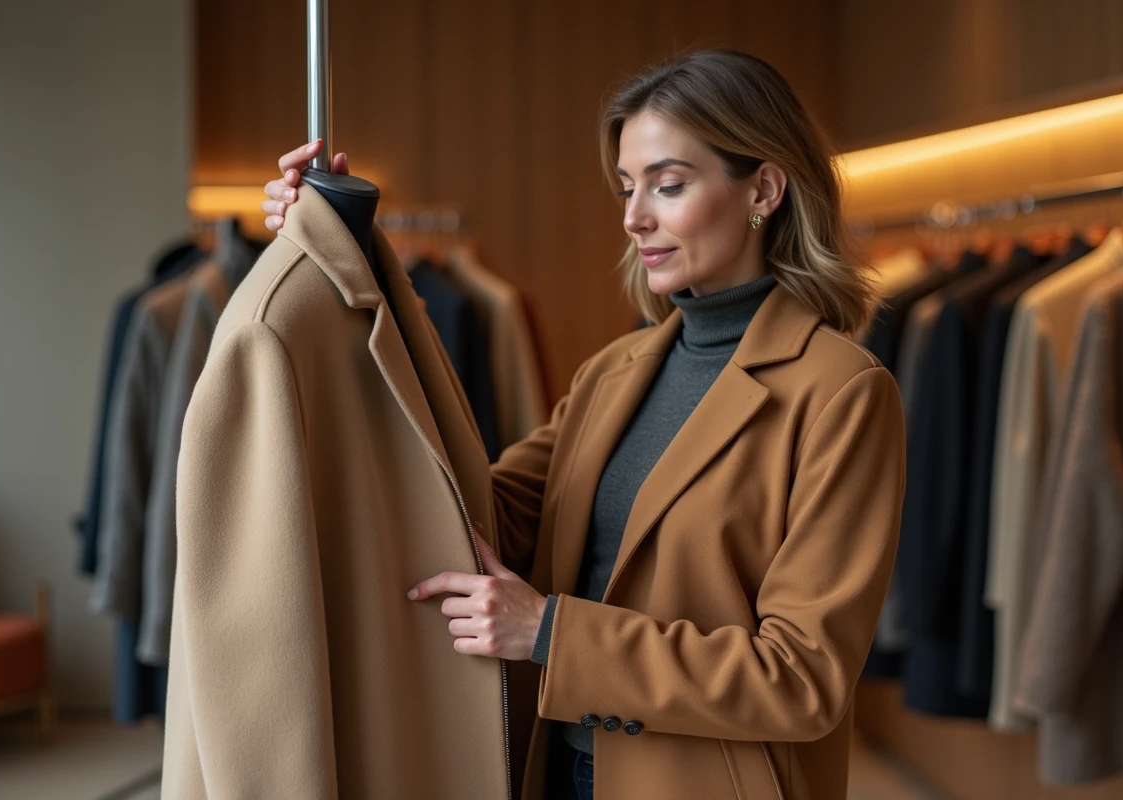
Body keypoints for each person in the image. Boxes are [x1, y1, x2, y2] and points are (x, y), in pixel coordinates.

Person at [264, 48, 905, 800]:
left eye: (668, 185)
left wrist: (549, 634)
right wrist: (350, 257)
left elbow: (801, 680)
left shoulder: (841, 392)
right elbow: (481, 515)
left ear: (763, 188)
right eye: (629, 187)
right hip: (563, 771)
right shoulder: (616, 371)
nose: (634, 217)